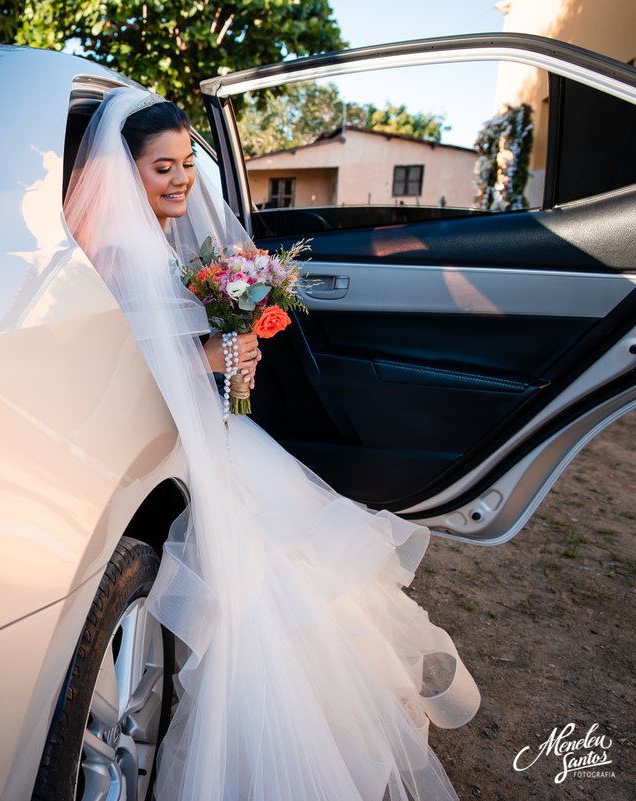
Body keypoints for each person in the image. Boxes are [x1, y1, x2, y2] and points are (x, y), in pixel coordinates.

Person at [63, 87, 480, 801]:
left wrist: (233, 351)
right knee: (258, 588)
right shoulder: (108, 252)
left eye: (187, 164)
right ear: (117, 172)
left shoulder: (165, 243)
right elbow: (120, 356)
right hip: (160, 443)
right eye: (160, 168)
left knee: (279, 575)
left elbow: (180, 349)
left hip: (205, 433)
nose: (182, 181)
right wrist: (214, 356)